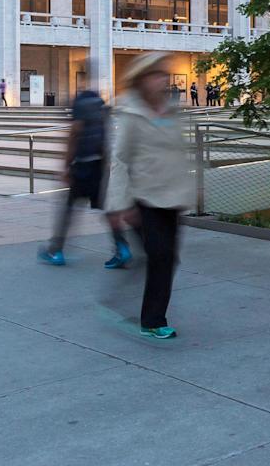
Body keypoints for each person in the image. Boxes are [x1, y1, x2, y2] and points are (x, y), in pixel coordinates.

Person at [104, 52, 194, 339]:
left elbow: (179, 153)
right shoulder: (132, 115)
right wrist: (120, 204)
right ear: (142, 81)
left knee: (168, 258)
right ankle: (152, 320)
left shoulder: (171, 112)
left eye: (162, 76)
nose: (161, 81)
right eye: (155, 76)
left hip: (173, 196)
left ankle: (147, 311)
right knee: (160, 255)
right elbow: (120, 159)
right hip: (144, 198)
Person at [38, 87, 132, 268]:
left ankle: (56, 251)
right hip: (98, 166)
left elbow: (73, 135)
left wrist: (65, 167)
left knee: (67, 209)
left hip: (82, 168)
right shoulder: (100, 108)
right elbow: (106, 140)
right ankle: (122, 248)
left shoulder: (80, 105)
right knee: (107, 209)